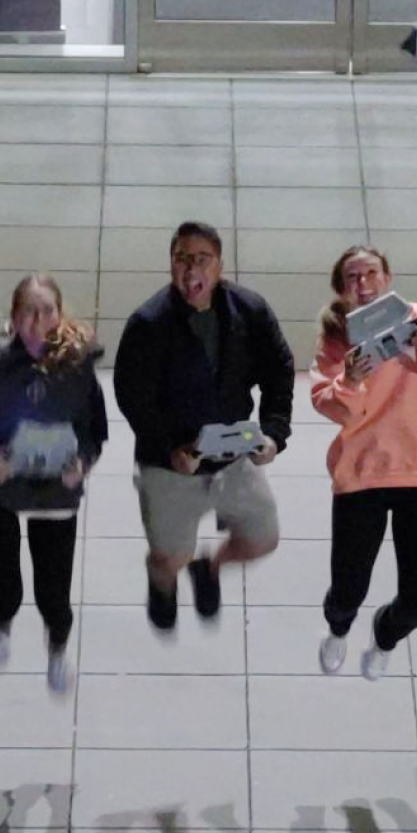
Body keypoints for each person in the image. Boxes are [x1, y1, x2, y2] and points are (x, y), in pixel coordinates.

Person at [309, 245, 417, 678]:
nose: (363, 283)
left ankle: (385, 636)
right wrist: (350, 380)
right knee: (348, 585)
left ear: (387, 278)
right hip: (362, 473)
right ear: (342, 289)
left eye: (371, 273)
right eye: (352, 277)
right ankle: (338, 628)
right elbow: (330, 406)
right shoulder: (336, 338)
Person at [112, 221, 297, 631]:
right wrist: (170, 450)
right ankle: (162, 581)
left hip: (232, 456)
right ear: (170, 264)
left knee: (261, 539)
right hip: (171, 465)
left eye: (202, 259)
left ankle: (208, 569)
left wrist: (273, 432)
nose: (191, 269)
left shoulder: (249, 310)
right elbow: (132, 398)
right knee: (169, 556)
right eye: (182, 259)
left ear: (220, 265)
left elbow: (279, 370)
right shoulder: (148, 324)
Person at [0, 274, 107, 694]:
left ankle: (57, 647)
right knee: (4, 586)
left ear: (61, 314)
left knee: (53, 594)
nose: (39, 321)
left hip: (54, 489)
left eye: (47, 311)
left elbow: (94, 429)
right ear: (14, 318)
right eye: (29, 312)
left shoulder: (76, 367)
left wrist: (83, 463)